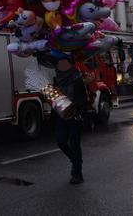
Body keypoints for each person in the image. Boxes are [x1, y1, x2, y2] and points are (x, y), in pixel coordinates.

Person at [53, 55, 87, 185]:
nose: (60, 65)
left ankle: (77, 173)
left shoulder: (77, 79)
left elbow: (83, 99)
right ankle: (75, 161)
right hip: (61, 117)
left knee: (74, 144)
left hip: (74, 117)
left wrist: (76, 110)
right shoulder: (57, 79)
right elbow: (54, 98)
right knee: (61, 142)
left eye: (63, 62)